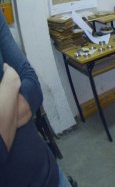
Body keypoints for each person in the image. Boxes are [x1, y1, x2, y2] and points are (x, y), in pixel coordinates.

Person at [0, 11, 73, 187]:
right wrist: (10, 82)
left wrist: (5, 117)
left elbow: (32, 86)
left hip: (52, 174)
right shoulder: (11, 79)